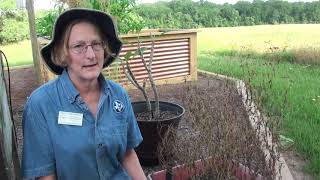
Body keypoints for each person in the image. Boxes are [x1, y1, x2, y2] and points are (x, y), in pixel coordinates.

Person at [22, 8, 146, 180]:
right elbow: (45, 175)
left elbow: (127, 154)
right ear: (63, 54)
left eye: (96, 44)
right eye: (79, 46)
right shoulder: (41, 104)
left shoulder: (118, 95)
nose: (90, 55)